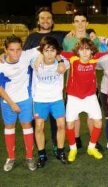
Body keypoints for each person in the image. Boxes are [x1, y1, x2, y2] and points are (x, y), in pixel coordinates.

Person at [23, 7, 67, 156]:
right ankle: (40, 148)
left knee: (58, 121)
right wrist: (39, 54)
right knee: (38, 122)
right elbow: (23, 56)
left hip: (55, 90)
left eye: (48, 18)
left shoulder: (60, 35)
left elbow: (74, 40)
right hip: (37, 85)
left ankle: (57, 144)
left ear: (53, 20)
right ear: (38, 21)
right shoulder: (32, 37)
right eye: (42, 18)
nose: (46, 21)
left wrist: (92, 33)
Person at [62, 11, 102, 150]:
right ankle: (76, 139)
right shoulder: (68, 39)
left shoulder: (92, 38)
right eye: (77, 21)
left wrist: (96, 38)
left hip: (90, 84)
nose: (80, 24)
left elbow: (101, 51)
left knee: (93, 115)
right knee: (74, 115)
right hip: (73, 83)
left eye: (82, 20)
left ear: (87, 23)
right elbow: (63, 56)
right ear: (73, 23)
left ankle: (94, 141)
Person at [62, 38, 105, 162]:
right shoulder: (72, 58)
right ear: (77, 51)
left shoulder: (94, 59)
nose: (85, 52)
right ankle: (73, 149)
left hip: (90, 96)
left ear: (92, 51)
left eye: (88, 49)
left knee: (98, 122)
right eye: (82, 49)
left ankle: (91, 147)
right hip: (73, 97)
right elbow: (56, 52)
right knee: (69, 124)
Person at [0, 35, 39, 172]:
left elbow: (47, 46)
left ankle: (29, 157)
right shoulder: (1, 64)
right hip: (7, 100)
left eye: (18, 50)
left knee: (27, 126)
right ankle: (11, 157)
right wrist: (11, 104)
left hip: (25, 99)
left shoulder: (26, 55)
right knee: (9, 127)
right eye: (11, 50)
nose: (16, 53)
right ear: (5, 50)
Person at [32, 36, 69, 168]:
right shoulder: (34, 61)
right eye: (46, 50)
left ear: (57, 51)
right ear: (42, 51)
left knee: (61, 125)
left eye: (52, 50)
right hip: (40, 100)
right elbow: (22, 55)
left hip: (56, 100)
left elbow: (66, 61)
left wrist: (60, 60)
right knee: (39, 127)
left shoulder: (63, 63)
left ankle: (60, 151)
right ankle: (42, 155)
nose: (49, 54)